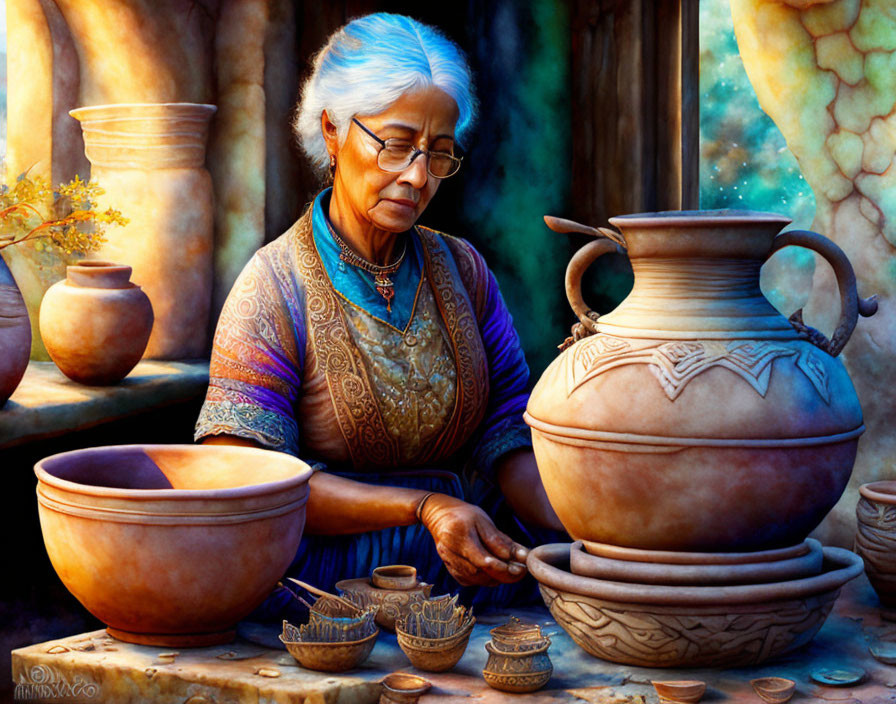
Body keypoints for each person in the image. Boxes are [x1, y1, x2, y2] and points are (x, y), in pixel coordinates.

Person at [195, 12, 563, 609]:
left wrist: (589, 528)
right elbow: (241, 475)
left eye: (438, 154)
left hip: (470, 572)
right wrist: (424, 508)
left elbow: (508, 435)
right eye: (394, 145)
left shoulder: (463, 271)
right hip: (327, 590)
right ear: (333, 132)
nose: (417, 176)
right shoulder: (275, 285)